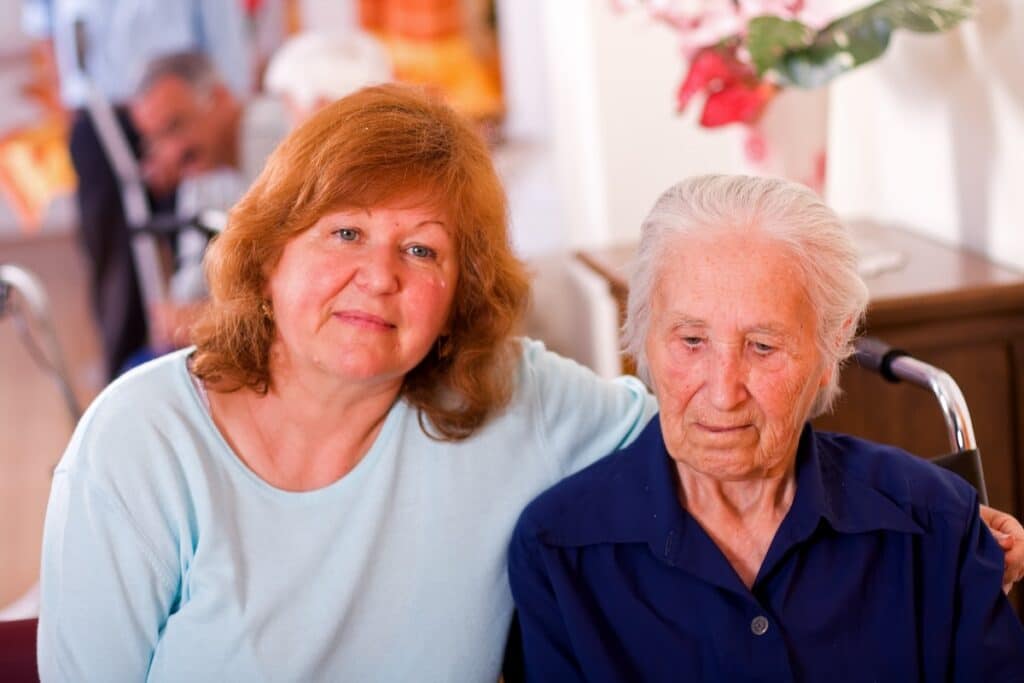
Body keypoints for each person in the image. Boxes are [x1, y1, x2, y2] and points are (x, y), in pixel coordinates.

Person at [37, 88, 1024, 681]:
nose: (378, 275)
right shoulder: (142, 441)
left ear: (458, 289)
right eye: (344, 231)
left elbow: (718, 416)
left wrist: (941, 513)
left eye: (420, 248)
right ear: (266, 251)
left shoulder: (512, 397)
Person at [507, 175, 1024, 681]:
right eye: (691, 340)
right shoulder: (558, 553)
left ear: (830, 349)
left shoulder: (936, 524)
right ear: (643, 336)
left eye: (762, 346)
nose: (723, 391)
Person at [20, 0, 251, 379]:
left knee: (195, 231)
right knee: (111, 250)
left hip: (179, 90)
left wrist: (218, 110)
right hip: (97, 107)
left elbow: (220, 23)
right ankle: (124, 379)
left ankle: (204, 358)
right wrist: (67, 101)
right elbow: (44, 22)